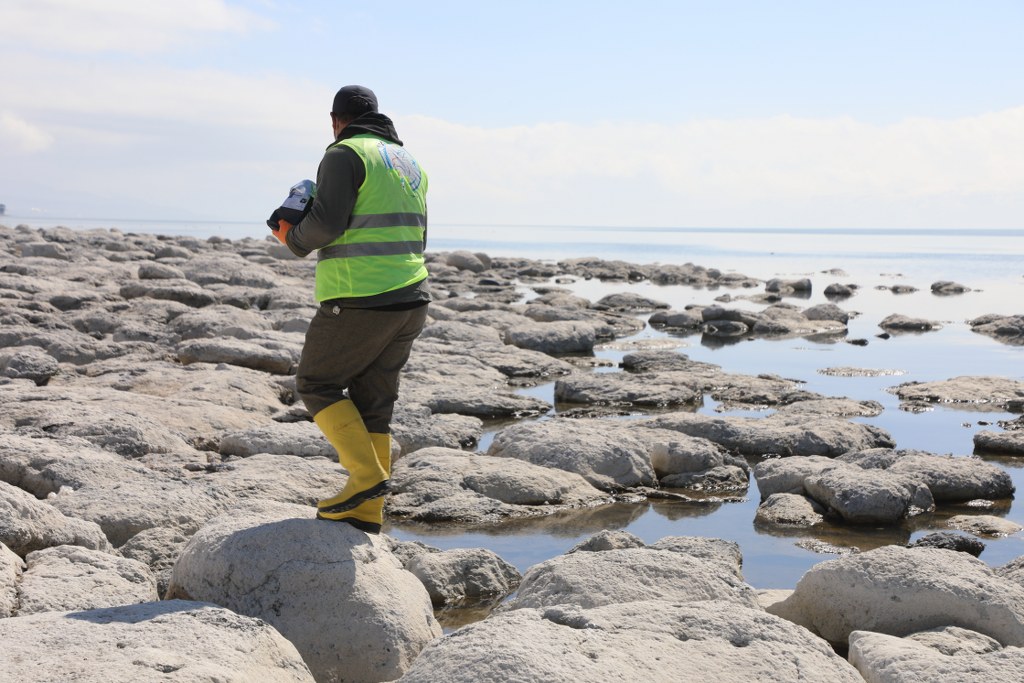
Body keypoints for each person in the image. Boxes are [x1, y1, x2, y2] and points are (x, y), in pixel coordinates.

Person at [267, 85, 430, 533]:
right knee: (374, 402)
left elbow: (326, 224)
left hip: (360, 296)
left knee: (316, 382)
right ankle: (366, 510)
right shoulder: (408, 162)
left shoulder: (345, 153)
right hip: (411, 297)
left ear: (335, 120)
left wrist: (291, 237)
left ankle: (366, 478)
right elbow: (418, 233)